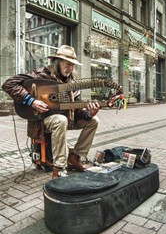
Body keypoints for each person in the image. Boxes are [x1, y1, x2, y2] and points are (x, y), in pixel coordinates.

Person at [2, 45, 100, 178]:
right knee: (61, 120)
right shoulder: (40, 74)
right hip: (42, 120)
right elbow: (9, 84)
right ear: (58, 62)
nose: (70, 68)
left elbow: (77, 111)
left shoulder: (73, 83)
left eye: (72, 65)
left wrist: (89, 114)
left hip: (67, 119)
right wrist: (31, 101)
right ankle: (59, 168)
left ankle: (75, 157)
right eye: (67, 64)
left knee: (94, 121)